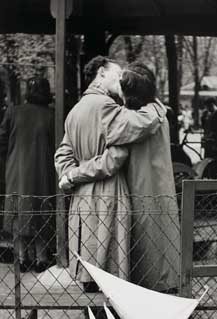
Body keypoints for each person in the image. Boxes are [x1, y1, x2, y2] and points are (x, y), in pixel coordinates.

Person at [55, 56, 166, 292]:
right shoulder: (108, 107)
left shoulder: (74, 111)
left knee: (88, 262)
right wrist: (157, 107)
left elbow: (62, 155)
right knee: (111, 266)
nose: (121, 80)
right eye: (117, 75)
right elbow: (116, 156)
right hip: (108, 194)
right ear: (102, 73)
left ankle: (92, 317)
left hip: (80, 199)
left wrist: (70, 175)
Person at [120, 63, 180, 292]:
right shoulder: (159, 112)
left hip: (141, 188)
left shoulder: (134, 120)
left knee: (145, 244)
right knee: (163, 240)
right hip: (160, 187)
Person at [0, 77, 55, 272]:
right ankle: (42, 257)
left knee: (18, 212)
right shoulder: (51, 115)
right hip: (42, 171)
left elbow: (2, 140)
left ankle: (22, 258)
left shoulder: (14, 112)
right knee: (41, 211)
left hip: (16, 170)